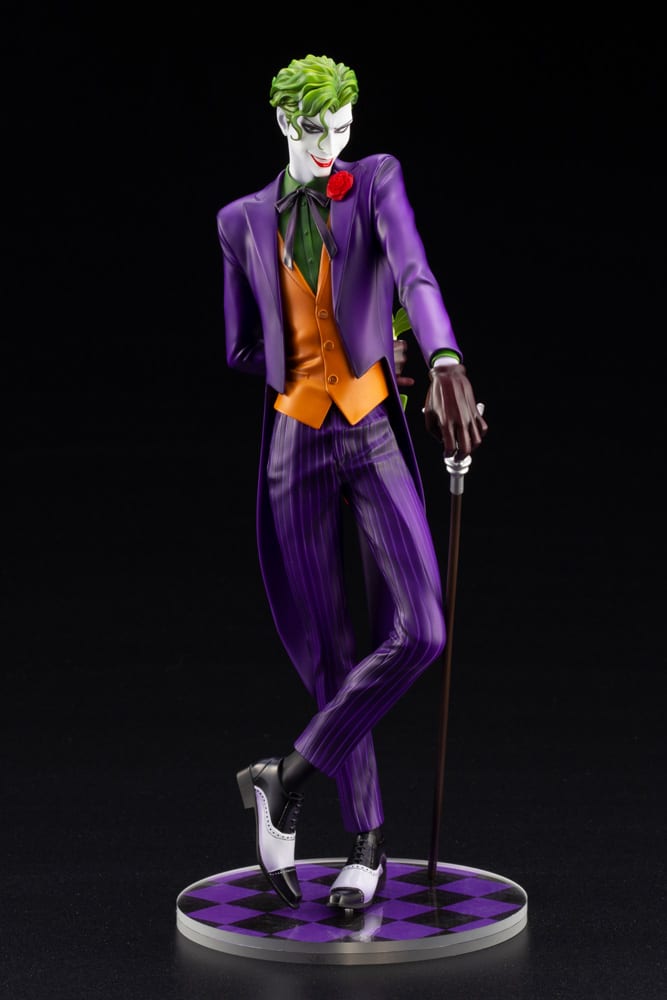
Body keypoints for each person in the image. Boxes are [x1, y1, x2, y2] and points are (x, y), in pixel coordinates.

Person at [216, 54, 487, 912]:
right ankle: (365, 844)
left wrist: (437, 355)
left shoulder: (374, 182)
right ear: (281, 122)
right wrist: (302, 356)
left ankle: (285, 775)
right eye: (314, 128)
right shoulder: (238, 221)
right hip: (292, 444)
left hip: (370, 429)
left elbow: (413, 271)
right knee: (331, 650)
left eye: (342, 126)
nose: (330, 143)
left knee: (422, 630)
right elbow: (240, 347)